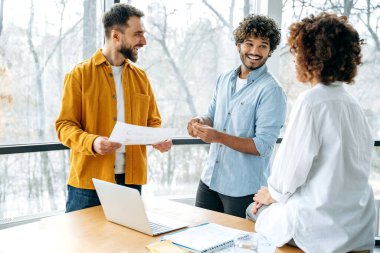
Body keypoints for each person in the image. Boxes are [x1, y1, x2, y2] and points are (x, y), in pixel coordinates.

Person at [246, 12, 376, 252]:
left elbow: (289, 172)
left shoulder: (312, 101)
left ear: (311, 56)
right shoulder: (353, 104)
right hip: (359, 228)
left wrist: (270, 195)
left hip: (320, 229)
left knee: (253, 210)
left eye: (297, 52)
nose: (295, 59)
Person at [56, 3, 171, 213]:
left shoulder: (141, 77)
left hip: (131, 181)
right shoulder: (79, 75)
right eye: (137, 34)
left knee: (126, 245)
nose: (143, 41)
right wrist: (93, 142)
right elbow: (64, 126)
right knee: (82, 245)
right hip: (88, 185)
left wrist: (158, 139)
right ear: (116, 36)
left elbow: (152, 121)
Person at [187, 14, 287, 218]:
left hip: (244, 191)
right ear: (238, 45)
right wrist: (199, 123)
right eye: (249, 44)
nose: (255, 51)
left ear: (270, 51)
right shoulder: (224, 79)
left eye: (263, 46)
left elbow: (263, 146)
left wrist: (217, 137)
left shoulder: (271, 91)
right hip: (210, 181)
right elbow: (212, 116)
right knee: (199, 240)